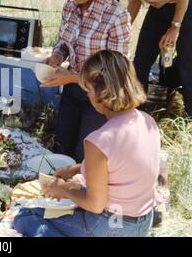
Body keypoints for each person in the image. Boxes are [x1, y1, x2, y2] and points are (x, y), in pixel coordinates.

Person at [14, 50, 160, 237]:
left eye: (88, 91)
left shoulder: (98, 141)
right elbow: (122, 164)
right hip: (143, 222)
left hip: (111, 226)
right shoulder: (148, 121)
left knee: (26, 217)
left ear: (102, 94)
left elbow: (95, 205)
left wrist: (63, 188)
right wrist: (74, 169)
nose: (88, 96)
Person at [81, 0, 192, 116]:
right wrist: (122, 28)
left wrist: (174, 28)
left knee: (187, 65)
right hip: (159, 7)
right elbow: (135, 0)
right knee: (140, 62)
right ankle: (135, 114)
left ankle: (189, 117)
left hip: (186, 5)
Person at [43, 0, 131, 162]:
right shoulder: (70, 7)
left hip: (101, 97)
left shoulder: (116, 16)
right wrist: (57, 56)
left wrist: (71, 76)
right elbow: (65, 41)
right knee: (60, 150)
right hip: (72, 91)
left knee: (86, 156)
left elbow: (116, 69)